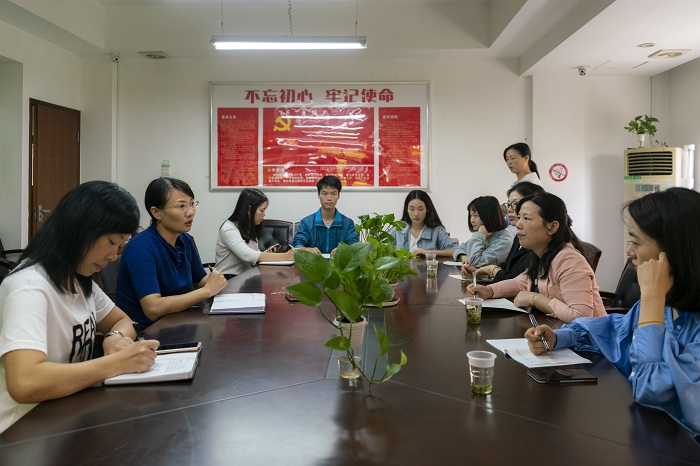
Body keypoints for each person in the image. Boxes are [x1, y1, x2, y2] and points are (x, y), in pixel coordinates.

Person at [524, 188, 700, 439]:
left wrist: (652, 298)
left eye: (636, 242)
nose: (629, 252)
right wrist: (558, 337)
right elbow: (611, 329)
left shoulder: (659, 306)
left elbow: (651, 391)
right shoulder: (665, 306)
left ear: (673, 251)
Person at [0, 181, 160, 434]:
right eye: (111, 242)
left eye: (120, 246)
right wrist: (117, 363)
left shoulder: (78, 279)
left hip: (66, 417)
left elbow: (123, 321)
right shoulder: (29, 287)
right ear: (81, 229)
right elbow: (25, 382)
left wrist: (114, 337)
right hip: (21, 430)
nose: (113, 256)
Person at [467, 192, 605, 323]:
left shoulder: (569, 260)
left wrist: (535, 298)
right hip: (558, 330)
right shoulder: (541, 253)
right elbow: (521, 282)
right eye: (519, 217)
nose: (518, 225)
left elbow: (581, 317)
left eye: (526, 218)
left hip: (591, 337)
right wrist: (490, 291)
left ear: (552, 227)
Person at [116, 177, 228, 327]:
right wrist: (207, 291)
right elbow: (153, 308)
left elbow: (199, 280)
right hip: (148, 332)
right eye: (181, 206)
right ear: (156, 212)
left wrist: (215, 280)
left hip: (180, 322)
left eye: (192, 204)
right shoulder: (141, 246)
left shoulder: (185, 239)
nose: (190, 212)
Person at [472, 182, 544, 282]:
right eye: (508, 205)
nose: (509, 210)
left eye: (515, 204)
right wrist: (483, 271)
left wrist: (493, 269)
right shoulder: (518, 236)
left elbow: (515, 279)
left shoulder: (537, 241)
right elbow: (508, 267)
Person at [215, 188, 295, 276]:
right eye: (262, 210)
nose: (264, 214)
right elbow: (247, 255)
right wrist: (286, 256)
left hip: (245, 277)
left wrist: (265, 254)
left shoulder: (248, 227)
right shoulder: (228, 229)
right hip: (228, 279)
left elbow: (253, 256)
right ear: (249, 209)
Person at [292, 175, 359, 255]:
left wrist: (344, 249)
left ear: (338, 196)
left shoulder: (347, 223)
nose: (329, 198)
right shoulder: (306, 223)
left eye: (333, 194)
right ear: (318, 195)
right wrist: (307, 250)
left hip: (338, 263)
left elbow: (354, 246)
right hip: (313, 262)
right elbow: (297, 246)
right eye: (325, 194)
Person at [454, 196, 514, 273]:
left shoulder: (504, 239)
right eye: (470, 215)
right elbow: (459, 249)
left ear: (489, 216)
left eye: (475, 215)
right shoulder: (483, 233)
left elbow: (475, 263)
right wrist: (463, 256)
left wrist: (479, 235)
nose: (471, 220)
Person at [392, 190, 458, 257]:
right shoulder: (397, 229)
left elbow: (456, 249)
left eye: (420, 209)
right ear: (407, 209)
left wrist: (429, 252)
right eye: (412, 209)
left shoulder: (436, 231)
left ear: (427, 209)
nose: (416, 214)